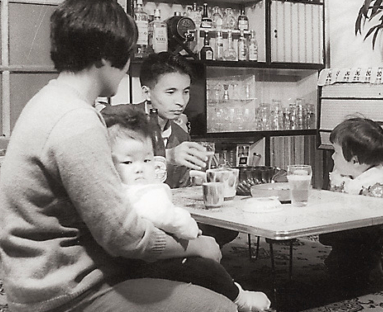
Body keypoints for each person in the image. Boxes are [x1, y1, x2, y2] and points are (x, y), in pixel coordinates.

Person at [0, 0, 237, 312]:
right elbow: (124, 236)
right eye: (127, 55)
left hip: (41, 278)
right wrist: (194, 245)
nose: (126, 68)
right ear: (104, 57)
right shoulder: (75, 120)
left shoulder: (49, 101)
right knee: (218, 306)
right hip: (65, 292)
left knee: (191, 273)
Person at [102, 106, 271, 312]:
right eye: (128, 162)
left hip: (140, 259)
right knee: (205, 268)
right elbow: (165, 216)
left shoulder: (123, 184)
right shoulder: (137, 193)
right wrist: (190, 228)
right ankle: (240, 297)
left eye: (147, 160)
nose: (140, 168)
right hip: (148, 262)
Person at [102, 51, 239, 246]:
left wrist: (198, 179)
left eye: (186, 91)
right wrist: (167, 156)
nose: (180, 101)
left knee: (225, 229)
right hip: (127, 216)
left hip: (167, 214)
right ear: (147, 92)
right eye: (171, 92)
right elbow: (100, 167)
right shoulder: (119, 120)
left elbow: (179, 190)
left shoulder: (180, 134)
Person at [319, 117, 383, 287]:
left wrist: (377, 261)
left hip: (377, 248)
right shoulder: (344, 178)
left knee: (363, 274)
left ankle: (372, 268)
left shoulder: (378, 187)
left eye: (336, 152)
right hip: (350, 235)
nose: (332, 156)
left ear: (355, 161)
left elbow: (382, 234)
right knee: (336, 266)